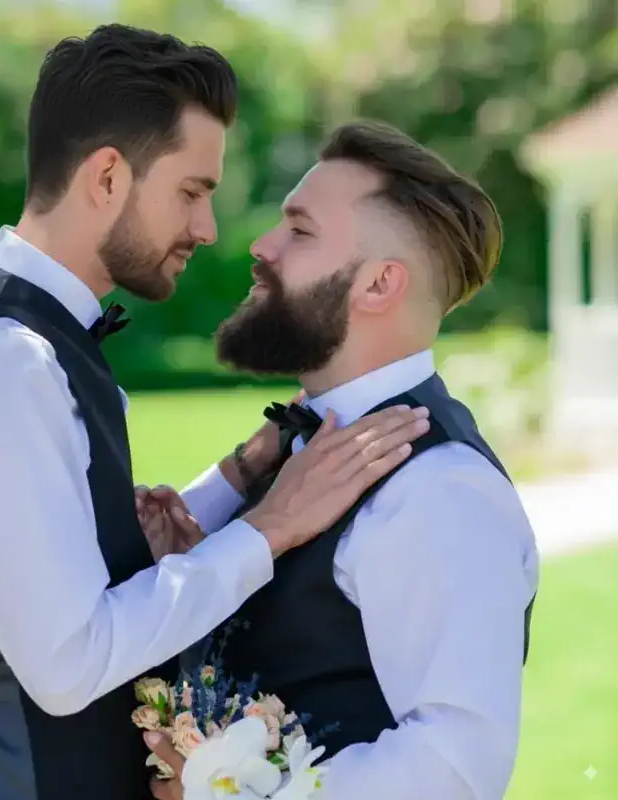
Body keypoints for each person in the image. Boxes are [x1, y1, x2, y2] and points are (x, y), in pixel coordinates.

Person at [0, 26, 429, 800]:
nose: (208, 229)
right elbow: (70, 664)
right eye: (192, 192)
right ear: (107, 176)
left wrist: (241, 474)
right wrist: (271, 528)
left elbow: (70, 568)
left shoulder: (31, 345)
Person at [139, 120, 539, 800]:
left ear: (379, 284)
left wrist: (228, 794)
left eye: (299, 232)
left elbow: (456, 766)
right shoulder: (294, 445)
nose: (261, 247)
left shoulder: (440, 489)